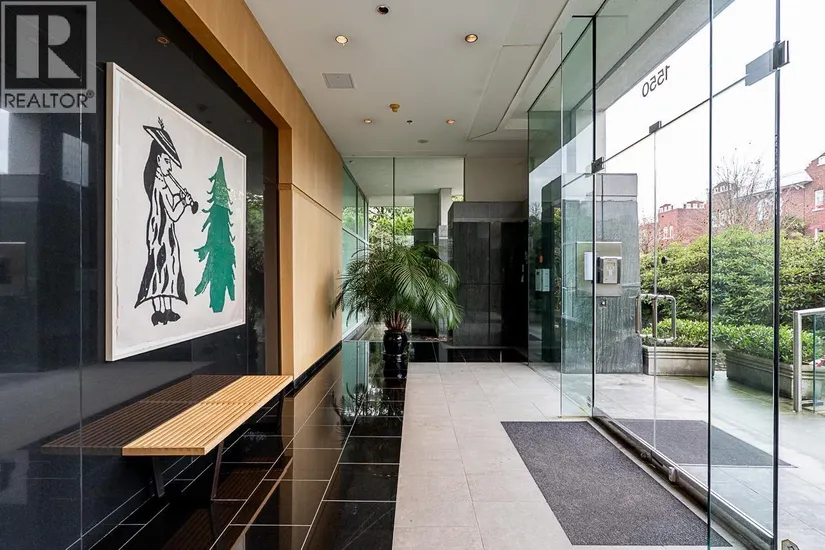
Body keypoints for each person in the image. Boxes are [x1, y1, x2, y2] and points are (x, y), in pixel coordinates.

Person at [134, 118, 194, 326]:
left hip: (163, 234)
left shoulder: (160, 183)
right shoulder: (161, 185)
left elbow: (169, 206)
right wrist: (184, 202)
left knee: (167, 269)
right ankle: (160, 311)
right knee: (162, 270)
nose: (170, 165)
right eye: (167, 160)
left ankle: (166, 310)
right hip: (162, 235)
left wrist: (180, 198)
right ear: (158, 159)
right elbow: (174, 214)